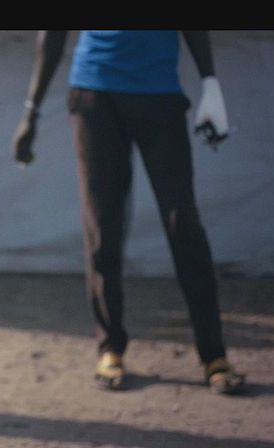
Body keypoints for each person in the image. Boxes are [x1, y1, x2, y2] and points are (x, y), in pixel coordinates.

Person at [12, 30, 245, 394]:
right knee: (103, 228)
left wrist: (210, 83)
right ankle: (110, 347)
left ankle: (214, 355)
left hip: (159, 96)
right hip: (95, 96)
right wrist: (32, 111)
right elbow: (52, 33)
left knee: (183, 223)